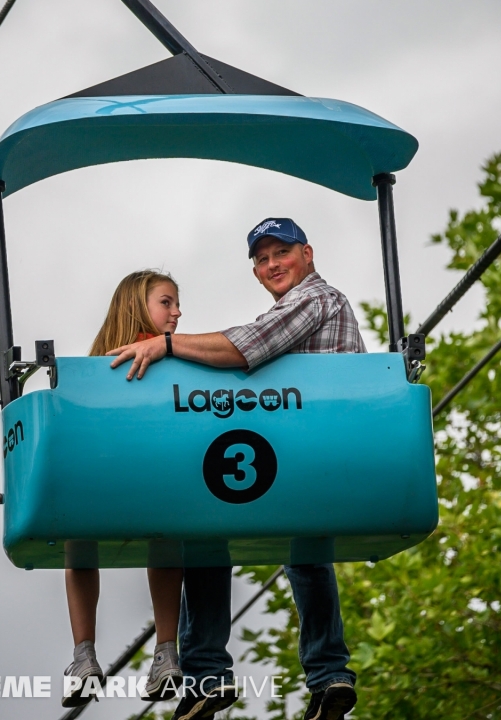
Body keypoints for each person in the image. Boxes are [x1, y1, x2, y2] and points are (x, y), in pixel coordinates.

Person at [109, 218, 367, 720]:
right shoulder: (302, 306)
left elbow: (246, 347)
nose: (272, 265)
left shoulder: (316, 300)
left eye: (281, 253)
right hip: (312, 452)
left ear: (308, 254)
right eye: (262, 258)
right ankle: (328, 676)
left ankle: (208, 673)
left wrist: (164, 346)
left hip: (311, 442)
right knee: (306, 552)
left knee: (208, 532)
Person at [62, 270, 185, 708]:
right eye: (167, 303)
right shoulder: (172, 359)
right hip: (156, 476)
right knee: (166, 539)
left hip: (105, 478)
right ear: (138, 306)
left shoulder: (95, 366)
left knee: (79, 545)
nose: (177, 312)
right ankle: (166, 652)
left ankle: (84, 655)